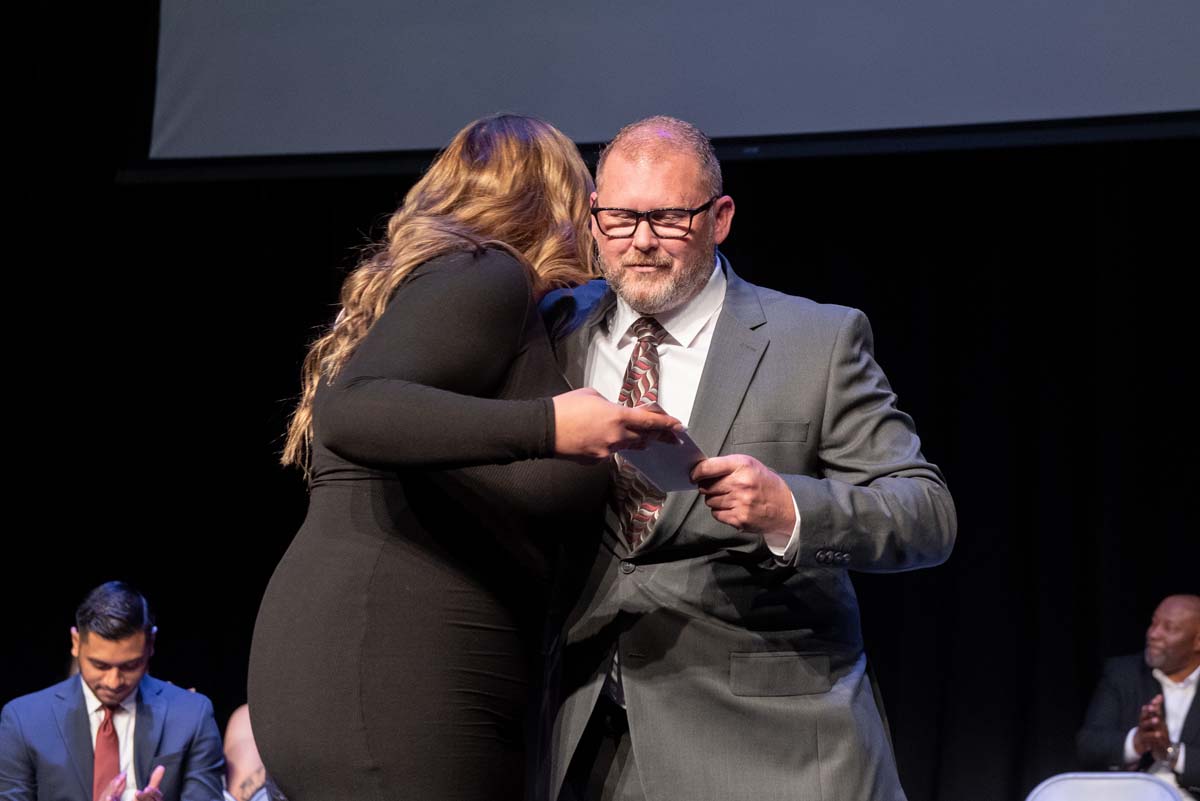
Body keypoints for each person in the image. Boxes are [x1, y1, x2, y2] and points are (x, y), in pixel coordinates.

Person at [247, 114, 678, 801]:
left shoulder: (440, 293)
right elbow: (357, 410)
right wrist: (552, 425)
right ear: (559, 203)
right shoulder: (488, 274)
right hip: (394, 672)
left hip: (354, 662)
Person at [538, 116, 957, 801]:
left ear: (720, 217)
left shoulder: (816, 340)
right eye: (619, 217)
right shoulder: (555, 331)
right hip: (591, 742)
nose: (641, 240)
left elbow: (925, 515)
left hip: (774, 747)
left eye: (669, 217)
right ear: (592, 218)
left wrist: (791, 510)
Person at [0, 581, 225, 801]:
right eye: (100, 665)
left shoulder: (192, 715)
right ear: (76, 642)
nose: (114, 681)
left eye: (130, 666)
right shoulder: (24, 720)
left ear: (151, 643)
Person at [1077, 594, 1200, 798]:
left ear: (1197, 641)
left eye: (1169, 628)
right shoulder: (1123, 674)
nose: (1153, 634)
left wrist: (1171, 752)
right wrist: (1137, 741)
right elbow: (1089, 746)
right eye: (1154, 623)